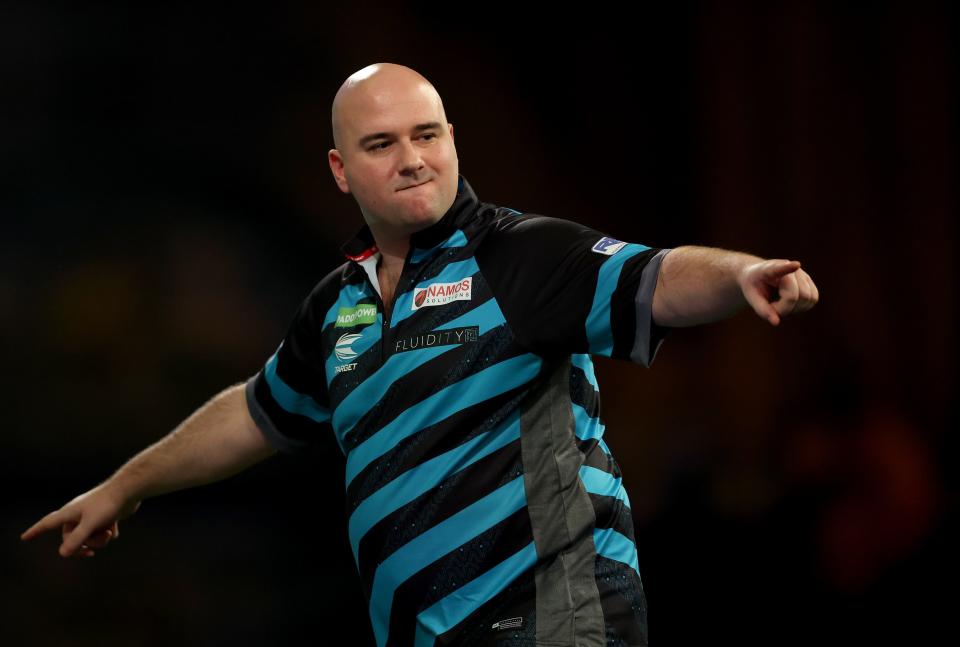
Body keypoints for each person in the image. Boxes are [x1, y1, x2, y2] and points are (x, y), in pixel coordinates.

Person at [21, 63, 819, 646]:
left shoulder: (518, 256)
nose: (412, 158)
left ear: (452, 141)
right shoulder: (338, 305)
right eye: (381, 143)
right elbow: (256, 413)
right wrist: (127, 484)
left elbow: (654, 275)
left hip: (554, 617)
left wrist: (743, 273)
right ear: (341, 170)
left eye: (427, 134)